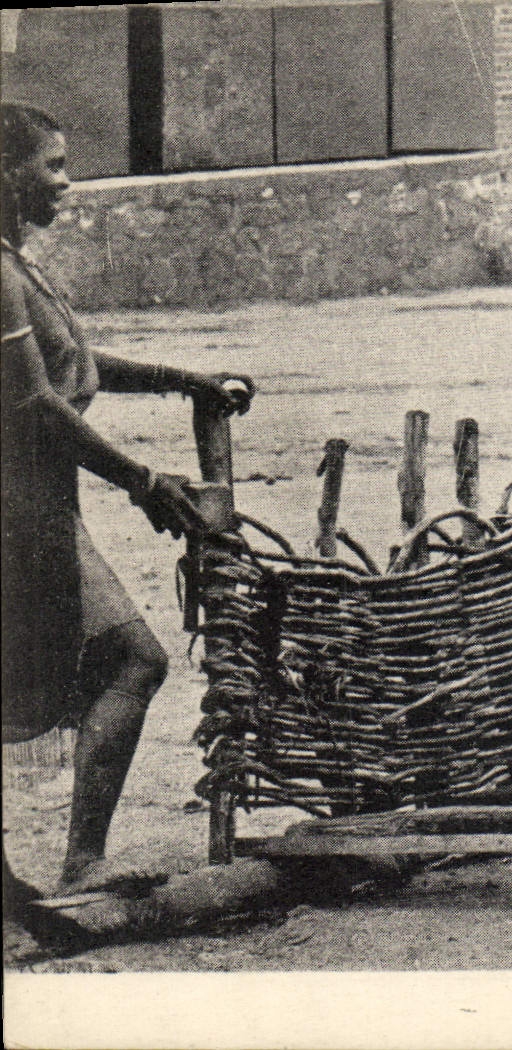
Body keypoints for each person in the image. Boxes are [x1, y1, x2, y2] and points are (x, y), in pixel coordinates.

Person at [2, 102, 256, 924]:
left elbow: (79, 364)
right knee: (131, 662)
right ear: (5, 174)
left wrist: (181, 378)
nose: (68, 183)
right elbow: (38, 404)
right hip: (14, 511)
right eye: (52, 166)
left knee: (88, 667)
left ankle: (58, 866)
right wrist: (147, 480)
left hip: (40, 506)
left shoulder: (19, 266)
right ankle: (80, 862)